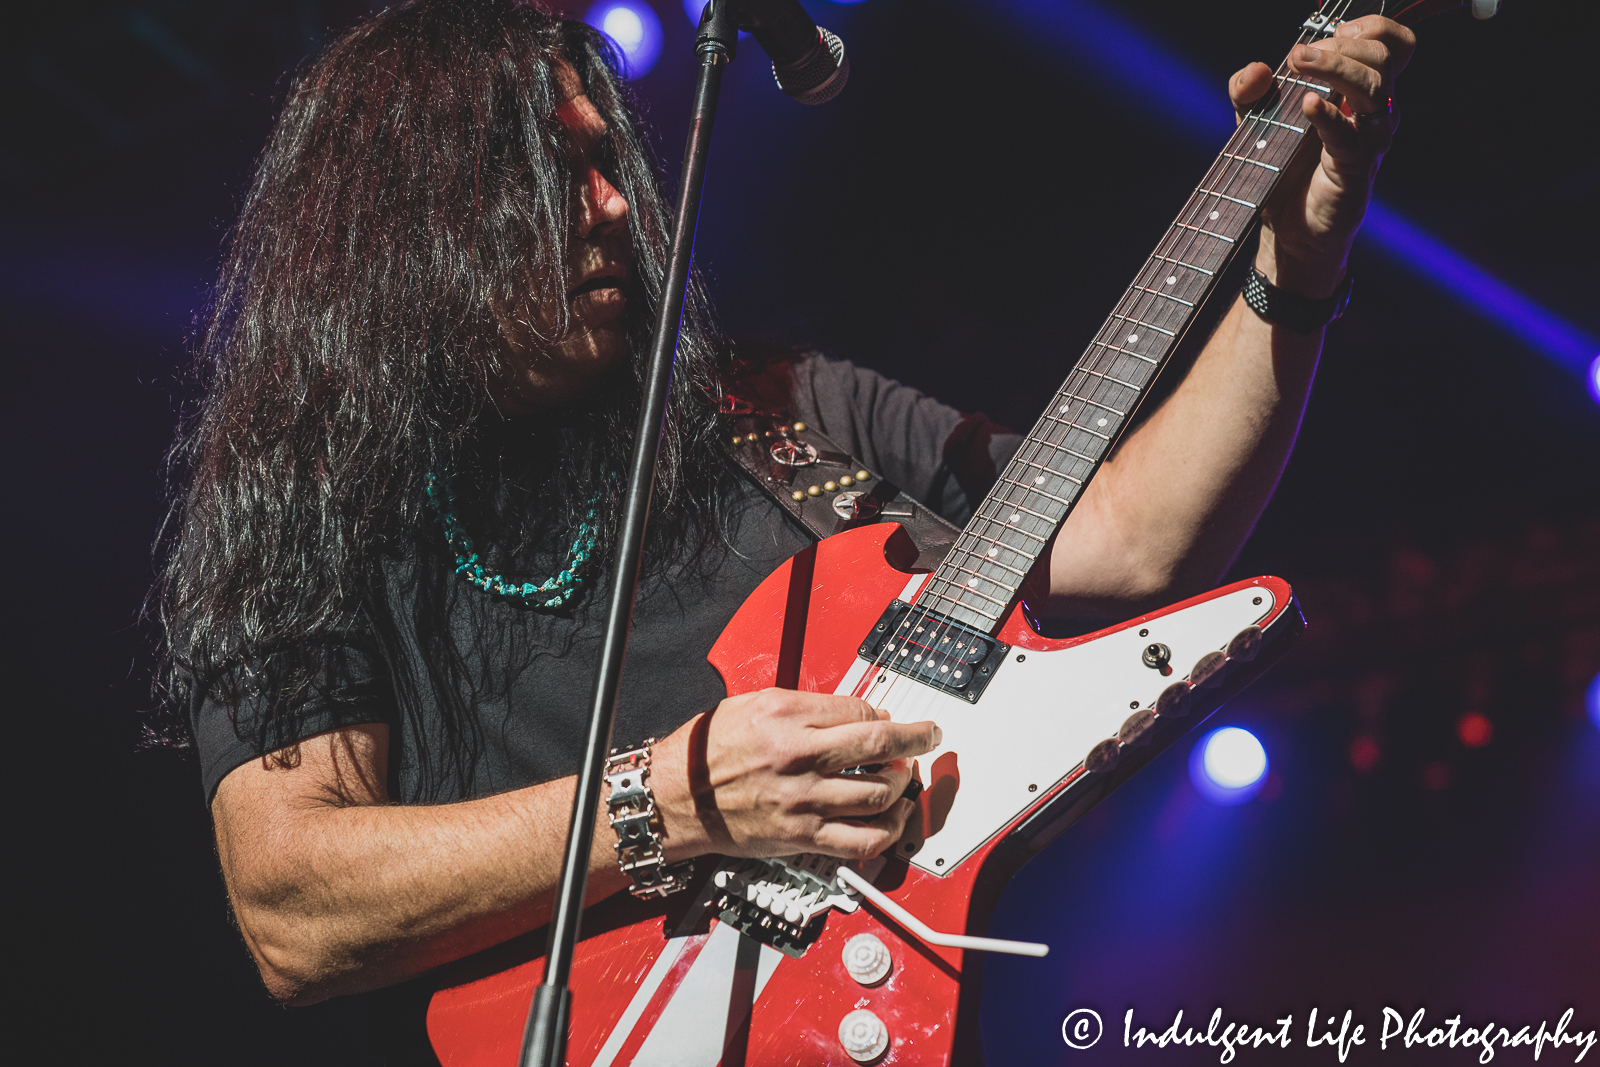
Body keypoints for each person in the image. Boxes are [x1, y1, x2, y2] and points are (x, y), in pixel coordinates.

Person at [155, 0, 1414, 1060]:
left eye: (609, 162)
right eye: (551, 170)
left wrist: (1294, 271)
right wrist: (682, 796)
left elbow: (1130, 540)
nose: (607, 206)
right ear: (409, 216)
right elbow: (291, 908)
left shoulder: (778, 405)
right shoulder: (303, 510)